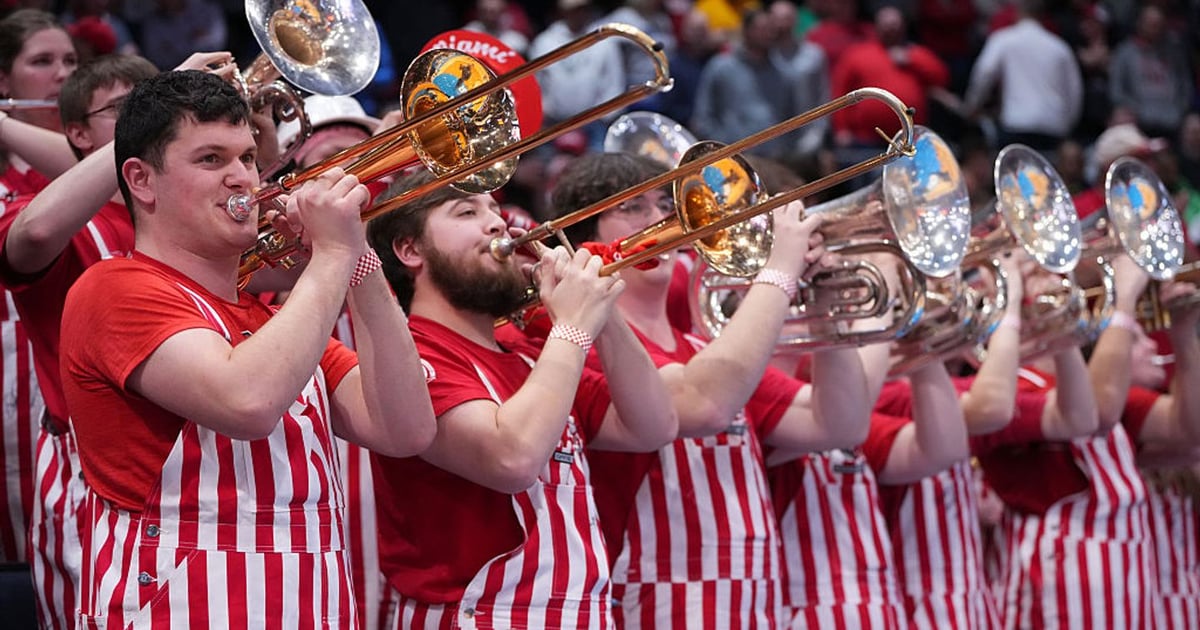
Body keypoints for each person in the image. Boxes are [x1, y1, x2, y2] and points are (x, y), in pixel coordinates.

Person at [59, 69, 437, 626]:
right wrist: (330, 257)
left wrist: (358, 257)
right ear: (141, 180)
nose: (242, 179)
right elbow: (247, 401)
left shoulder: (273, 321)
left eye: (248, 159)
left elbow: (406, 429)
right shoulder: (112, 288)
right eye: (211, 159)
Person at [542, 152, 872, 627]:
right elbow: (703, 403)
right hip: (656, 601)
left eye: (662, 204)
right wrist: (778, 271)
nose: (661, 219)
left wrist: (822, 306)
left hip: (756, 601)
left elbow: (839, 423)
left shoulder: (705, 346)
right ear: (585, 240)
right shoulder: (588, 341)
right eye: (633, 208)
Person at [366, 168, 677, 628]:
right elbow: (510, 458)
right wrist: (572, 326)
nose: (498, 224)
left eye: (495, 209)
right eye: (467, 211)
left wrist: (601, 309)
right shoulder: (411, 356)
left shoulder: (531, 360)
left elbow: (653, 425)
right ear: (410, 249)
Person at [0, 52, 162, 630]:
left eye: (158, 102)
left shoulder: (182, 220)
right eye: (126, 109)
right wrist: (152, 126)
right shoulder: (42, 212)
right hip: (85, 469)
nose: (152, 118)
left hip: (180, 460)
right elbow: (36, 233)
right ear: (76, 133)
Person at [963, 0, 1083, 151]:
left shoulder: (1004, 39)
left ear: (1018, 12)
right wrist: (1067, 123)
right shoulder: (1059, 48)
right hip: (1053, 125)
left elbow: (985, 72)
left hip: (1016, 122)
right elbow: (1074, 91)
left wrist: (972, 106)